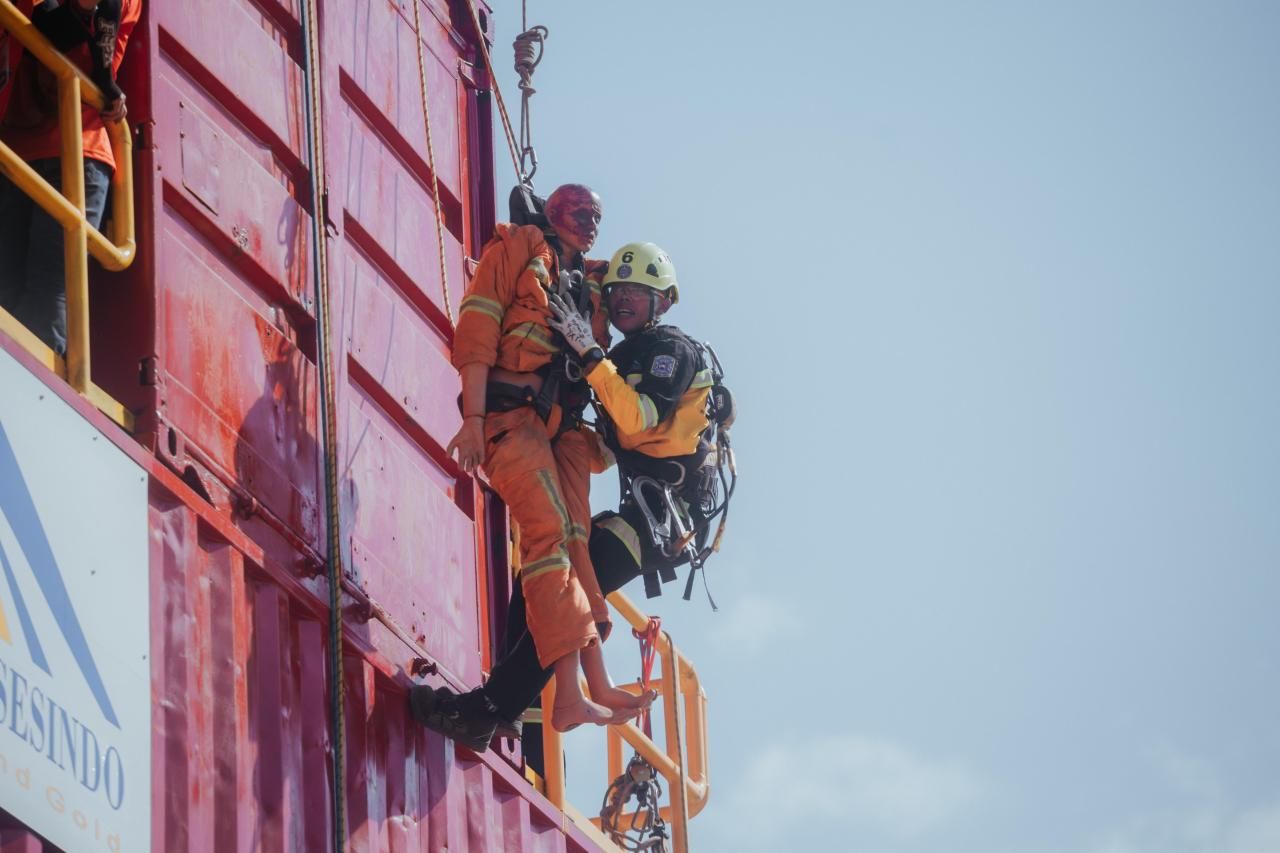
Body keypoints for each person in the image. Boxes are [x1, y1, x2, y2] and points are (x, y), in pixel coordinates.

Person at [412, 242, 719, 752]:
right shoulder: (627, 354)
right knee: (538, 576)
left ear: (662, 302)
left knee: (564, 585)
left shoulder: (672, 352)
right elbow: (613, 445)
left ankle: (491, 711)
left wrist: (592, 356)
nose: (623, 301)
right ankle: (517, 713)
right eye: (618, 291)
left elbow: (638, 420)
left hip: (663, 522)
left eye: (638, 294)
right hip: (643, 511)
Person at [425, 185, 655, 734]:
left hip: (565, 434)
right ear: (554, 213)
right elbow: (478, 332)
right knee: (549, 536)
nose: (591, 224)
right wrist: (474, 421)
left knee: (577, 541)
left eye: (598, 216)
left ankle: (595, 684)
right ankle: (569, 697)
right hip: (512, 418)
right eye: (581, 213)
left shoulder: (594, 285)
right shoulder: (517, 251)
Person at [0, 0, 139, 355]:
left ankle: (35, 395)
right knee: (6, 289)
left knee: (46, 297)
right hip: (15, 152)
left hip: (77, 152)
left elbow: (92, 57)